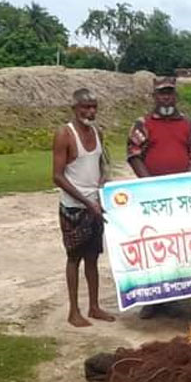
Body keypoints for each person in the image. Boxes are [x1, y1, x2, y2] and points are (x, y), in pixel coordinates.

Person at [127, 77, 191, 318]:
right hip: (153, 197)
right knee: (152, 246)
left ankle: (172, 297)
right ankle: (152, 299)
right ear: (154, 96)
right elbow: (133, 153)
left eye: (170, 93)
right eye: (162, 93)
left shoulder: (188, 123)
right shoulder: (143, 124)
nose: (166, 97)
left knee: (177, 246)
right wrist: (150, 184)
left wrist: (185, 183)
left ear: (175, 95)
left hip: (181, 198)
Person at [53, 88, 115, 327]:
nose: (90, 111)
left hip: (95, 206)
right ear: (74, 109)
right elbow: (57, 176)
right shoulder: (64, 135)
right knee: (74, 257)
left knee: (93, 256)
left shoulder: (98, 132)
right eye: (85, 107)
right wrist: (87, 202)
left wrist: (101, 188)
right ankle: (73, 310)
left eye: (93, 107)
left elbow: (101, 165)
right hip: (74, 207)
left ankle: (94, 306)